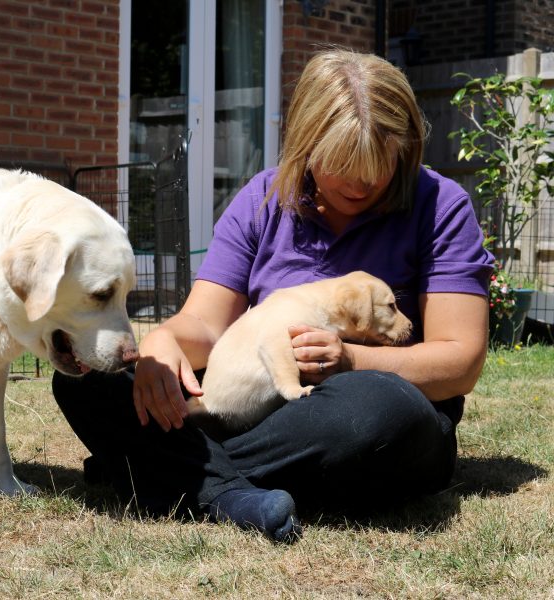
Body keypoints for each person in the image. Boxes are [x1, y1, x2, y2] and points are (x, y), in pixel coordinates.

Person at [53, 49, 494, 543]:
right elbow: (206, 326)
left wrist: (351, 360)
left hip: (362, 419)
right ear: (306, 143)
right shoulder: (263, 198)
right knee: (89, 380)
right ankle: (220, 487)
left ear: (405, 150)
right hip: (258, 411)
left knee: (382, 410)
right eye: (342, 163)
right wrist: (163, 342)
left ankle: (166, 471)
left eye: (380, 163)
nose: (362, 182)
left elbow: (460, 362)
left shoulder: (441, 207)